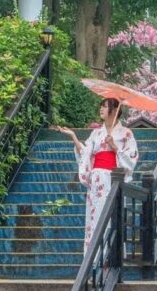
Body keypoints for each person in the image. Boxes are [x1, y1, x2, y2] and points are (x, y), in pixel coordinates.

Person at [56, 98, 138, 253]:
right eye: (101, 105)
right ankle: (94, 257)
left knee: (110, 216)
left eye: (105, 106)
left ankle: (112, 255)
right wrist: (73, 136)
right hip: (97, 181)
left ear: (114, 111)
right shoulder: (96, 133)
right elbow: (85, 153)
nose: (101, 109)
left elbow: (131, 158)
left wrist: (114, 147)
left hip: (113, 179)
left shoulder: (126, 133)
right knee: (94, 219)